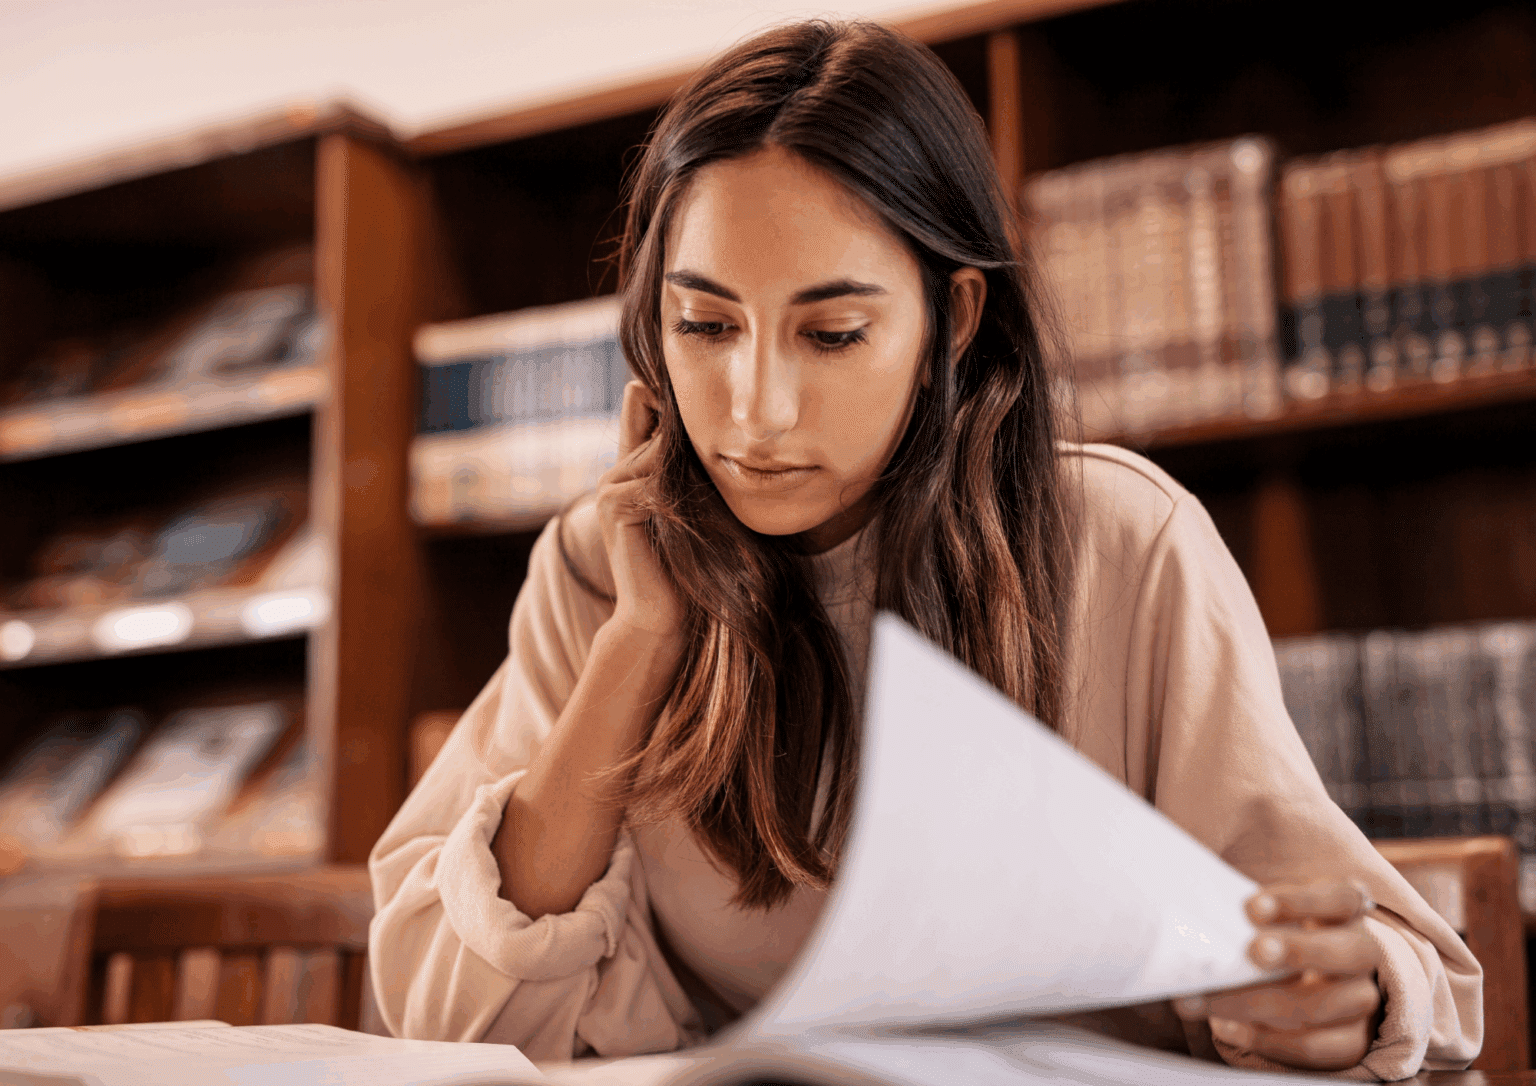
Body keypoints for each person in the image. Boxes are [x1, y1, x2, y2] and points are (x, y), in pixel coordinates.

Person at [368, 18, 1481, 1078]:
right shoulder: (602, 566)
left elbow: (1370, 969)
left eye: (833, 334)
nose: (754, 412)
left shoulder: (1124, 544)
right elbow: (456, 1008)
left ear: (950, 319)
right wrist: (641, 642)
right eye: (704, 326)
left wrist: (1334, 1000)